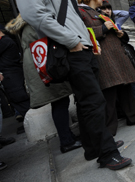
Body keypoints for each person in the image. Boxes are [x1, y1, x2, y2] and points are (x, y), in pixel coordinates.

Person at [13, 0, 131, 170]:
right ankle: (107, 153)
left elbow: (73, 18)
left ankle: (93, 147)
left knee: (88, 99)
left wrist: (88, 42)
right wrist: (72, 41)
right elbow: (35, 13)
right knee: (93, 100)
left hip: (82, 48)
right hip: (68, 48)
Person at [6, 14, 83, 153]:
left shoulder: (27, 21)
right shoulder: (34, 18)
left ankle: (67, 137)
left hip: (39, 60)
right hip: (45, 61)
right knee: (59, 100)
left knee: (60, 100)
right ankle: (66, 141)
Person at [77, 0, 135, 136]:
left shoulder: (95, 12)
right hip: (104, 57)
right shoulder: (81, 12)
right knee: (109, 92)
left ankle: (133, 116)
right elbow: (82, 34)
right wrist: (102, 29)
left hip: (116, 54)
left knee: (125, 87)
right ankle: (109, 127)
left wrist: (120, 34)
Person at [98, 0, 135, 108]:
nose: (107, 11)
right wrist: (100, 13)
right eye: (104, 8)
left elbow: (125, 14)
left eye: (109, 8)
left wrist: (110, 13)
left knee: (133, 77)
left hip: (124, 51)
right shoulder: (100, 23)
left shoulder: (116, 22)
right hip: (111, 55)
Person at [0, 26, 29, 134]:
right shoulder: (6, 41)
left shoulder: (5, 42)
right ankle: (27, 122)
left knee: (19, 98)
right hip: (11, 75)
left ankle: (29, 122)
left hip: (11, 76)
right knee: (17, 98)